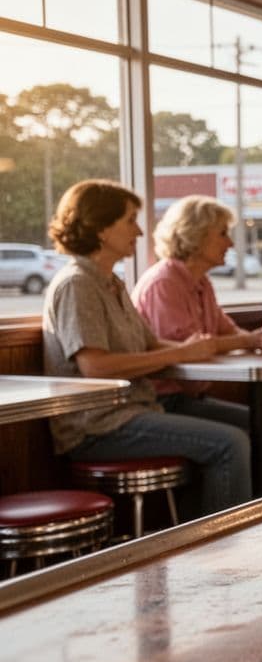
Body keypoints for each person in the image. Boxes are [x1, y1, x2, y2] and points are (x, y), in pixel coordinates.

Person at [42, 180, 251, 515]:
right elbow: (95, 367)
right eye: (129, 221)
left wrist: (194, 349)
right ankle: (222, 555)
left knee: (250, 430)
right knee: (231, 443)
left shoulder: (111, 282)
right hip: (97, 427)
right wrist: (182, 353)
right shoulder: (76, 284)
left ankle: (203, 535)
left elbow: (151, 343)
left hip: (136, 411)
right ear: (101, 228)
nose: (139, 232)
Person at [131, 195, 262, 454]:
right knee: (250, 433)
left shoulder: (201, 282)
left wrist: (258, 338)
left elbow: (227, 331)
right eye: (222, 233)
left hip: (189, 397)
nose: (230, 242)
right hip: (161, 401)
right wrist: (249, 340)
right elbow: (192, 349)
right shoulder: (164, 282)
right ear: (196, 235)